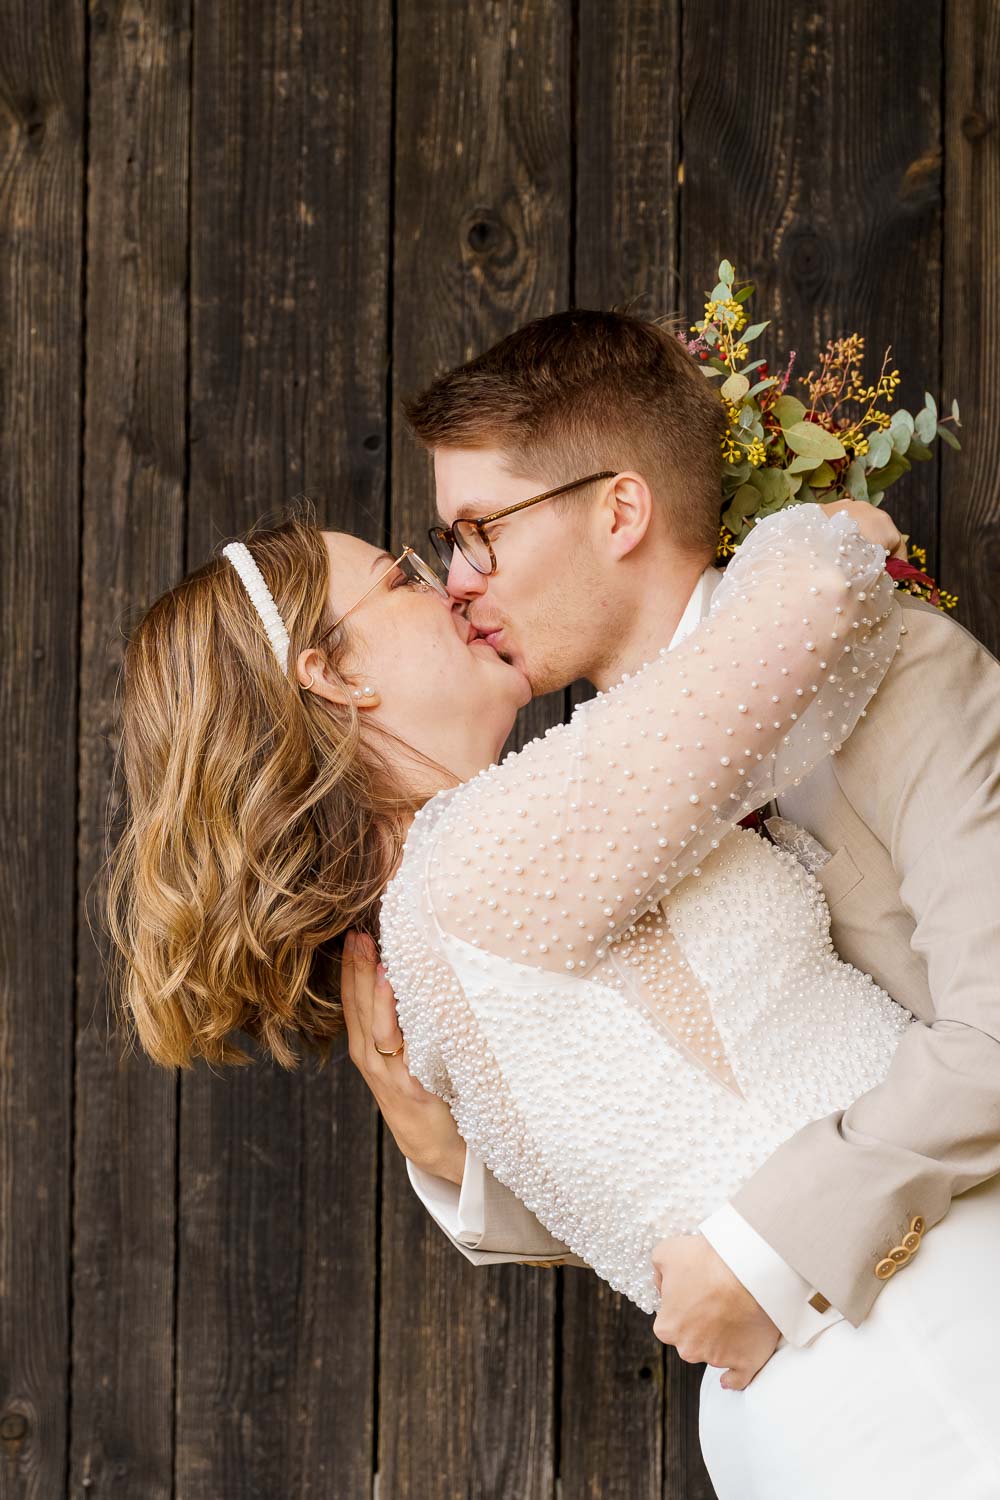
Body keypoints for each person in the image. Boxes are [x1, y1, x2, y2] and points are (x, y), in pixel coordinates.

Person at [106, 325, 1000, 1497]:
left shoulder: (482, 876)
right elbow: (820, 587)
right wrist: (832, 535)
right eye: (410, 571)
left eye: (474, 534)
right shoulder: (489, 857)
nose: (453, 583)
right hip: (901, 1354)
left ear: (619, 509)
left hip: (832, 1367)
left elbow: (663, 1119)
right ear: (334, 674)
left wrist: (454, 1161)